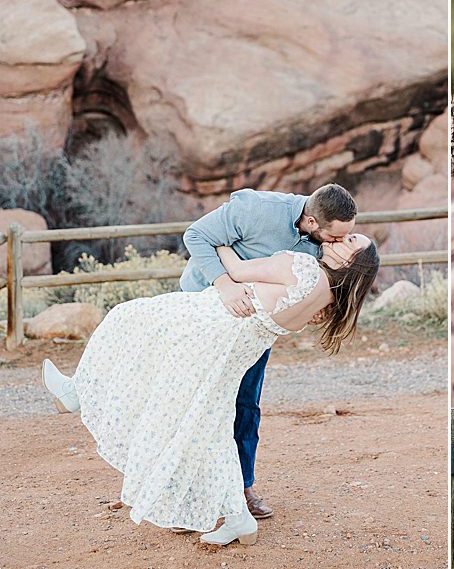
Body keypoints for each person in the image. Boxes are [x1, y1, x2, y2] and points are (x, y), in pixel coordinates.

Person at [41, 234, 379, 546]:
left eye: (351, 241)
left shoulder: (302, 266)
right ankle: (238, 518)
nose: (342, 237)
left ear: (351, 261)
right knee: (211, 427)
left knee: (124, 316)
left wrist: (219, 240)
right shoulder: (328, 300)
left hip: (208, 324)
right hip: (237, 349)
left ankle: (77, 393)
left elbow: (237, 269)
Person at [180, 184, 357, 519]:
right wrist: (224, 285)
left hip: (253, 329)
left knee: (246, 403)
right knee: (199, 404)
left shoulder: (320, 248)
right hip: (204, 312)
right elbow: (196, 235)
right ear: (310, 223)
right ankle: (189, 494)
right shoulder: (257, 208)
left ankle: (242, 487)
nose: (336, 245)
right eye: (335, 237)